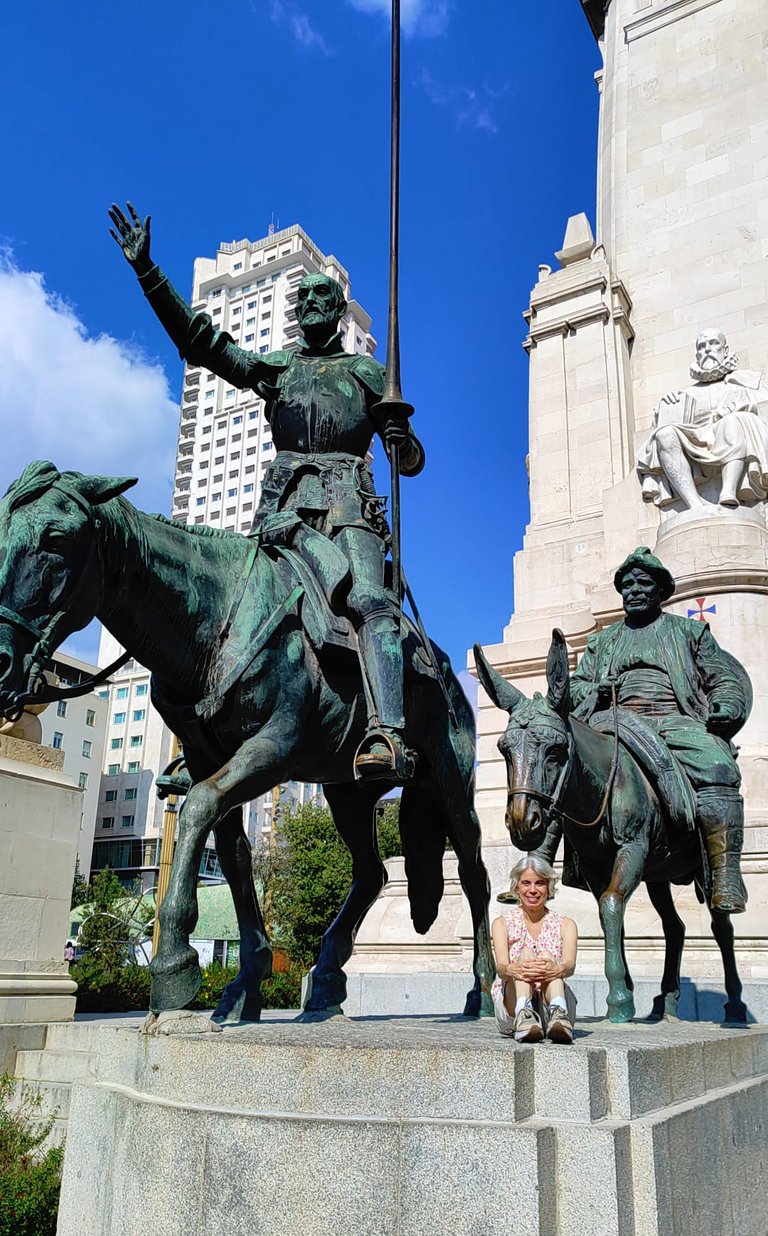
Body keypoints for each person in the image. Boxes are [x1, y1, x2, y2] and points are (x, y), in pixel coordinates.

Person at [108, 202, 424, 784]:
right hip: (278, 510)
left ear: (336, 311)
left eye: (319, 302)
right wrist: (149, 274)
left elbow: (410, 462)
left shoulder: (366, 374)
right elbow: (203, 344)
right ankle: (203, 738)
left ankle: (387, 730)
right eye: (300, 303)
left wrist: (401, 439)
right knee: (227, 605)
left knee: (371, 604)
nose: (308, 310)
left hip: (346, 506)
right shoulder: (277, 369)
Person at [570, 546, 751, 913]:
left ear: (660, 590)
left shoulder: (689, 632)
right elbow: (575, 687)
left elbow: (724, 678)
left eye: (643, 583)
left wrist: (725, 706)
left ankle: (725, 872)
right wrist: (594, 690)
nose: (634, 590)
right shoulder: (601, 641)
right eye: (627, 585)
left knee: (718, 766)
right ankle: (563, 858)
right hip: (616, 723)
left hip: (676, 721)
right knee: (563, 761)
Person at [637, 328, 768, 511]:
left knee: (734, 420)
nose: (707, 349)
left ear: (725, 349)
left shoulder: (744, 382)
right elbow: (659, 427)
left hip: (731, 433)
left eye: (713, 343)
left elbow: (764, 405)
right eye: (701, 346)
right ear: (697, 354)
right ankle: (695, 505)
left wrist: (742, 404)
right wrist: (666, 406)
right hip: (696, 439)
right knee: (664, 434)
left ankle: (728, 492)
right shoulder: (687, 393)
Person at [491, 856, 577, 1043]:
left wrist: (557, 969)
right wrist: (513, 969)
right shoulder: (502, 923)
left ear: (548, 888)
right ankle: (524, 1014)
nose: (533, 890)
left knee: (547, 956)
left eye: (539, 883)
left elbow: (570, 966)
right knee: (526, 954)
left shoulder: (566, 924)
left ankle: (558, 1013)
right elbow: (501, 968)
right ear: (516, 888)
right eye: (526, 883)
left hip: (551, 996)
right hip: (513, 1003)